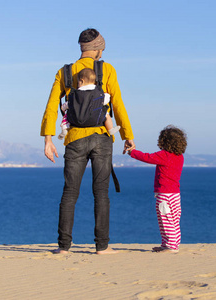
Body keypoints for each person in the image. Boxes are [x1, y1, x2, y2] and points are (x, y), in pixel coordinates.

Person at [41, 28, 135, 255]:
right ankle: (102, 247)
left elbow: (52, 106)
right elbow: (118, 104)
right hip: (102, 137)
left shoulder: (64, 72)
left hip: (74, 139)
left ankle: (63, 248)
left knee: (70, 193)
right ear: (99, 49)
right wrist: (127, 136)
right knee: (101, 192)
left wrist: (48, 139)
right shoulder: (107, 69)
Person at [127, 125, 187, 253]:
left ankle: (171, 247)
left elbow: (147, 157)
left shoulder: (165, 155)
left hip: (165, 195)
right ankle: (170, 244)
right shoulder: (179, 156)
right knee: (173, 220)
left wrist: (132, 152)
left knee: (165, 220)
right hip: (175, 195)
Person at [58, 68, 120, 140]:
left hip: (77, 123)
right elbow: (106, 99)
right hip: (95, 120)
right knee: (106, 113)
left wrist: (63, 108)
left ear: (81, 81)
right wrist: (107, 95)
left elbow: (67, 105)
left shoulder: (75, 94)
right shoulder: (97, 92)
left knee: (66, 116)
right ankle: (110, 129)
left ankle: (64, 129)